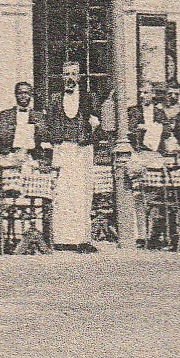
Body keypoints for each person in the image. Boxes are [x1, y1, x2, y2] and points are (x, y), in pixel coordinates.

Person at [44, 59, 100, 246]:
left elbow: (97, 123)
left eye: (73, 74)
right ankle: (61, 239)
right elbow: (49, 124)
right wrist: (54, 143)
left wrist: (93, 126)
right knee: (62, 192)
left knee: (82, 192)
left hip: (82, 149)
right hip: (63, 149)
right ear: (62, 76)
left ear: (79, 77)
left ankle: (82, 239)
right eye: (66, 74)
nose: (70, 78)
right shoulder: (54, 98)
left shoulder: (88, 97)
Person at [0, 81, 45, 156]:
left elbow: (43, 135)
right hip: (9, 154)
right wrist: (27, 129)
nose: (23, 96)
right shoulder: (5, 115)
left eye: (26, 93)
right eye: (20, 93)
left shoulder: (39, 116)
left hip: (32, 155)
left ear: (31, 95)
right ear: (15, 95)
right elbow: (1, 135)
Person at [127, 81, 170, 154]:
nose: (141, 96)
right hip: (138, 150)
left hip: (157, 152)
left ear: (153, 94)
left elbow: (167, 130)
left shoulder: (159, 112)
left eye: (145, 93)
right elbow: (131, 128)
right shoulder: (133, 111)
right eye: (140, 93)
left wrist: (148, 127)